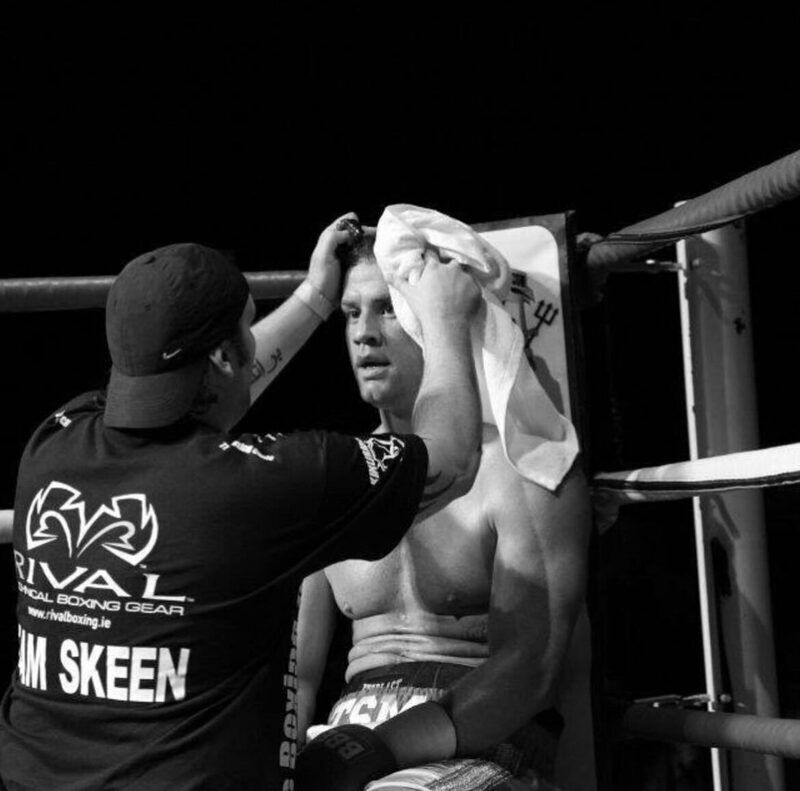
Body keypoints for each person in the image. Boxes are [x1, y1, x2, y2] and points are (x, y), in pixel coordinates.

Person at [0, 215, 484, 791]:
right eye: (246, 333)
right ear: (229, 358)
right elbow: (451, 460)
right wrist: (445, 319)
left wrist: (313, 299)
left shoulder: (54, 442)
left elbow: (194, 390)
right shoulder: (262, 484)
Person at [295, 233, 591, 790]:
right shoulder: (332, 476)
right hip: (346, 740)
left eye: (388, 308)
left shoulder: (525, 468)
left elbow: (532, 668)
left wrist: (382, 749)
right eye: (351, 313)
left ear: (437, 312)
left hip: (483, 736)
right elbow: (298, 680)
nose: (363, 333)